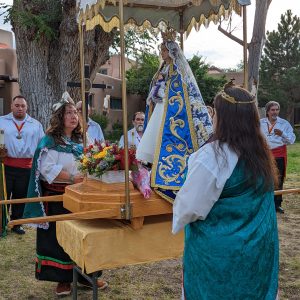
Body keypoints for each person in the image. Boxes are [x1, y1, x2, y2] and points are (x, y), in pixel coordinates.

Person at [172, 82, 279, 300]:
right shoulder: (262, 152)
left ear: (224, 118)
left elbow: (189, 208)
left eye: (215, 112)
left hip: (218, 257)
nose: (213, 118)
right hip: (258, 250)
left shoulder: (212, 156)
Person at [23, 92, 108, 296]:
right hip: (58, 198)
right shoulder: (49, 140)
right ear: (59, 117)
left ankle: (89, 276)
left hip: (82, 196)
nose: (74, 116)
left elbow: (93, 161)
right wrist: (71, 178)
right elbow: (46, 168)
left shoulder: (83, 139)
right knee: (58, 239)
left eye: (76, 113)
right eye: (69, 112)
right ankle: (62, 280)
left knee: (85, 236)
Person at [136, 29, 213, 202]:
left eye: (164, 50)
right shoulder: (162, 69)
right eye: (161, 50)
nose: (162, 53)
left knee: (166, 138)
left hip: (171, 111)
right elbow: (156, 87)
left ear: (171, 51)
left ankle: (168, 176)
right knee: (154, 139)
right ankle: (151, 172)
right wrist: (154, 93)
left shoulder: (177, 70)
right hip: (161, 108)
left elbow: (179, 91)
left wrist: (162, 90)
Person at [0, 95, 44, 234]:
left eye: (23, 106)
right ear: (11, 106)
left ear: (27, 107)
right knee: (3, 196)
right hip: (5, 165)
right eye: (17, 105)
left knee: (21, 196)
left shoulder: (35, 124)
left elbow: (41, 146)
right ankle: (2, 223)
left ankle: (17, 223)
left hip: (26, 167)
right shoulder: (1, 121)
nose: (20, 108)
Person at [260, 101, 296, 214]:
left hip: (279, 154)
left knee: (278, 180)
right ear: (267, 111)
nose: (275, 112)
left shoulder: (284, 124)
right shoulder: (260, 123)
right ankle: (265, 203)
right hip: (264, 154)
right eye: (272, 110)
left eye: (277, 110)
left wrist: (282, 134)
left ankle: (277, 204)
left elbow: (292, 140)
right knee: (264, 178)